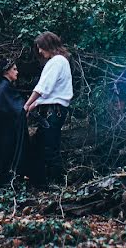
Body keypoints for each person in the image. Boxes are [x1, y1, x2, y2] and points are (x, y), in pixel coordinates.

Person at [24, 31, 73, 187]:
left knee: (49, 146)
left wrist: (27, 104)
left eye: (40, 47)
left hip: (54, 111)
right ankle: (44, 182)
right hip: (54, 109)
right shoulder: (60, 61)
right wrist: (34, 105)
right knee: (43, 144)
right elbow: (51, 91)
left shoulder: (57, 61)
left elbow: (44, 87)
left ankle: (56, 183)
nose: (39, 51)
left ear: (48, 46)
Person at [0, 59, 29, 188]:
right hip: (6, 130)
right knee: (6, 154)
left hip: (6, 129)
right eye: (14, 69)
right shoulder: (4, 88)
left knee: (6, 153)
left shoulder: (4, 86)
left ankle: (6, 181)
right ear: (6, 71)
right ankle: (4, 182)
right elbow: (15, 108)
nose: (17, 72)